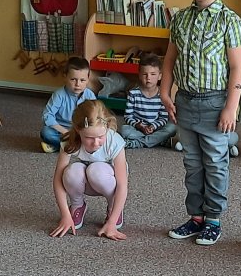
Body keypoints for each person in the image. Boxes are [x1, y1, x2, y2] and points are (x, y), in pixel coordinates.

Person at [164, 0, 241, 245]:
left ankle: (213, 219)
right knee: (192, 164)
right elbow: (169, 59)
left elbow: (237, 68)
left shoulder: (229, 21)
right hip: (185, 101)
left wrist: (231, 108)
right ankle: (196, 217)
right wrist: (164, 92)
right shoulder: (180, 19)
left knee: (215, 163)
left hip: (214, 103)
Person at [50, 100, 129, 241]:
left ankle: (113, 207)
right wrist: (65, 214)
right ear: (77, 130)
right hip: (86, 182)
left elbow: (123, 185)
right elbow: (58, 180)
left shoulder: (115, 141)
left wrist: (112, 222)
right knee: (71, 171)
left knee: (96, 170)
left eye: (101, 137)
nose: (96, 143)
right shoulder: (69, 140)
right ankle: (77, 205)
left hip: (107, 182)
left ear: (107, 127)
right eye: (89, 138)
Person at [40, 56, 97, 152]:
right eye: (73, 79)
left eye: (82, 80)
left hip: (82, 130)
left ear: (88, 79)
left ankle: (63, 146)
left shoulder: (90, 95)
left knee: (102, 132)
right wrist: (65, 132)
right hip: (62, 131)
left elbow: (95, 116)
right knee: (46, 132)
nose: (77, 84)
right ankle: (75, 146)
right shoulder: (59, 95)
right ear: (65, 77)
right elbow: (47, 116)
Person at [120, 53, 175, 150]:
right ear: (139, 75)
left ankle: (138, 143)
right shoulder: (133, 93)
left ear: (159, 76)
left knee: (172, 127)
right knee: (124, 130)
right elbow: (128, 117)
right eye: (145, 74)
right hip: (138, 129)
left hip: (155, 128)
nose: (148, 78)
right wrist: (139, 125)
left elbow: (163, 118)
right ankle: (159, 140)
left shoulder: (162, 95)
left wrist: (153, 126)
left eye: (153, 74)